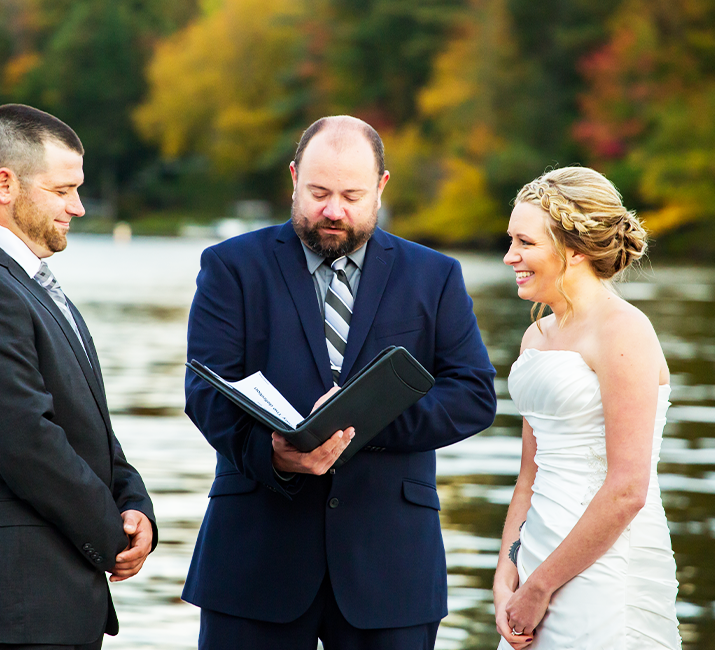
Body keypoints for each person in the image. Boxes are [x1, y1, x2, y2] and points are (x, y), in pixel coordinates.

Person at [182, 115, 498, 649]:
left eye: (351, 195)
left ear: (381, 187)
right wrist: (275, 456)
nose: (333, 211)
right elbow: (206, 392)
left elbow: (472, 395)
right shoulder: (230, 266)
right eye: (318, 192)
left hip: (392, 568)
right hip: (255, 560)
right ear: (293, 178)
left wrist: (361, 419)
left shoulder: (434, 275)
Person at [0, 104, 156, 650]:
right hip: (11, 603)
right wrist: (113, 535)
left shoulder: (27, 283)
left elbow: (87, 423)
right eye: (63, 190)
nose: (79, 206)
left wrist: (136, 505)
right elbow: (27, 443)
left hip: (52, 596)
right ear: (5, 184)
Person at [493, 166, 681, 649]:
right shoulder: (537, 334)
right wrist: (508, 573)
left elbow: (627, 490)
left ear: (573, 250)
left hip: (607, 567)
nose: (511, 256)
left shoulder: (625, 331)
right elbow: (529, 476)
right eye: (511, 239)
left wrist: (539, 588)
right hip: (536, 554)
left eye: (525, 243)